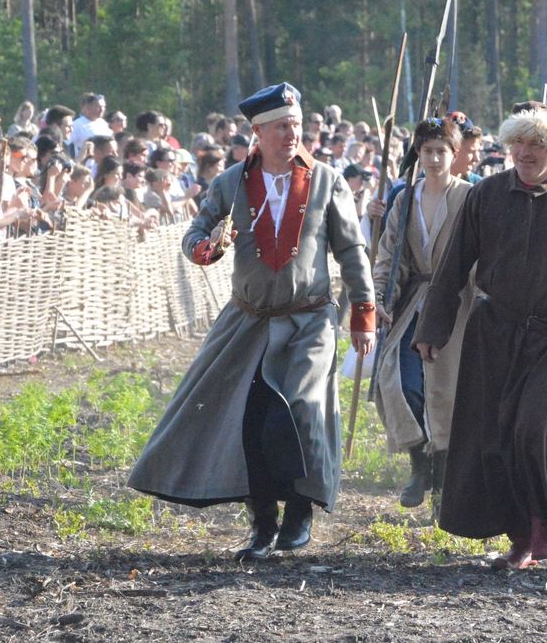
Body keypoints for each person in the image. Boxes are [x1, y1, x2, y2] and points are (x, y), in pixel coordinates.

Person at [128, 82, 376, 561]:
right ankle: (262, 524)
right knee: (251, 421)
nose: (292, 134)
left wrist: (363, 313)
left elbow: (351, 250)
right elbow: (196, 232)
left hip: (310, 321)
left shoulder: (327, 180)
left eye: (296, 125)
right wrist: (208, 246)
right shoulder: (230, 184)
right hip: (249, 323)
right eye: (282, 126)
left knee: (302, 409)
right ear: (257, 132)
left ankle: (300, 513)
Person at [413, 105, 547, 571]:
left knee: (540, 428)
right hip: (495, 334)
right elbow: (452, 267)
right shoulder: (486, 195)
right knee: (497, 438)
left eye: (536, 145)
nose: (525, 153)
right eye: (519, 143)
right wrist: (433, 328)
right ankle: (521, 538)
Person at [371, 117, 474, 511]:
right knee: (400, 380)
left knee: (446, 392)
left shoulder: (468, 197)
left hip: (455, 305)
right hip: (414, 301)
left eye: (440, 151)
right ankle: (420, 463)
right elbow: (390, 255)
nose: (433, 158)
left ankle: (444, 478)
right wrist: (383, 296)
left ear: (454, 154)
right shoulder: (404, 199)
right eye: (426, 151)